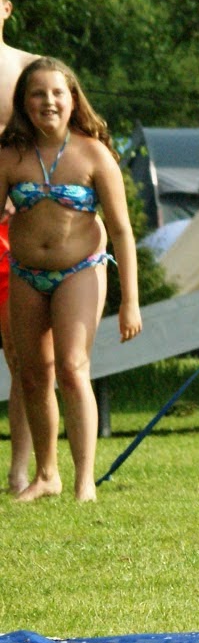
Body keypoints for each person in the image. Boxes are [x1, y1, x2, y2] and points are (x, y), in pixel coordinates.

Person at [1, 58, 142, 501]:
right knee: (31, 375)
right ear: (24, 103)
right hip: (25, 273)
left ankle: (84, 481)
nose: (48, 102)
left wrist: (130, 301)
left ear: (73, 98)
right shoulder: (9, 157)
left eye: (57, 93)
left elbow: (121, 231)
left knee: (72, 368)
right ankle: (47, 475)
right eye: (38, 94)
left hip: (80, 269)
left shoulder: (93, 153)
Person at [0, 0, 39, 493]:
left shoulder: (32, 71)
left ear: (6, 8)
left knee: (23, 352)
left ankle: (23, 468)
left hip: (17, 226)